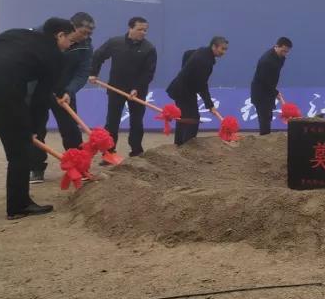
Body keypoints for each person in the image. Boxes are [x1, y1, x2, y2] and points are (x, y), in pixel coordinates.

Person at [0, 17, 74, 219]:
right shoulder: (55, 56)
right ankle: (19, 206)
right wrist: (33, 129)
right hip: (5, 93)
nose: (70, 45)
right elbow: (40, 97)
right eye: (70, 40)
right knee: (20, 151)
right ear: (60, 35)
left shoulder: (17, 32)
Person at [30, 12, 96, 183]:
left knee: (71, 129)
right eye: (83, 32)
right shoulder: (43, 34)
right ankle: (37, 168)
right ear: (71, 27)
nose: (86, 37)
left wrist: (69, 91)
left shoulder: (86, 46)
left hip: (63, 92)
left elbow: (82, 73)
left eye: (89, 34)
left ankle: (79, 166)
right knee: (36, 129)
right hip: (39, 89)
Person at [90, 17, 157, 157]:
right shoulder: (115, 42)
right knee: (112, 121)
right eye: (140, 29)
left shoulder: (149, 49)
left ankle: (136, 151)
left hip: (138, 91)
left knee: (136, 122)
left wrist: (136, 88)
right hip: (116, 88)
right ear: (130, 28)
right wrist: (93, 73)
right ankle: (109, 152)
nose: (143, 32)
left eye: (145, 30)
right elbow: (98, 56)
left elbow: (148, 72)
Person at [167, 37, 227, 145]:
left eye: (225, 49)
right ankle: (187, 147)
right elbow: (202, 85)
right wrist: (210, 105)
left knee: (183, 117)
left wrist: (185, 70)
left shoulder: (202, 51)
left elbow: (187, 53)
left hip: (181, 88)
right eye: (222, 49)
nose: (224, 52)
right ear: (214, 46)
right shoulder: (205, 62)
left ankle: (178, 145)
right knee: (192, 119)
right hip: (184, 91)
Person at [250, 37, 293, 135]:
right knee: (264, 117)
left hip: (268, 90)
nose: (284, 54)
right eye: (283, 51)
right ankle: (264, 138)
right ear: (276, 46)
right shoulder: (266, 61)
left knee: (268, 115)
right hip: (260, 93)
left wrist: (275, 92)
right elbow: (265, 81)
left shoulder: (281, 57)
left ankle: (266, 136)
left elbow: (272, 77)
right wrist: (276, 93)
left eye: (286, 52)